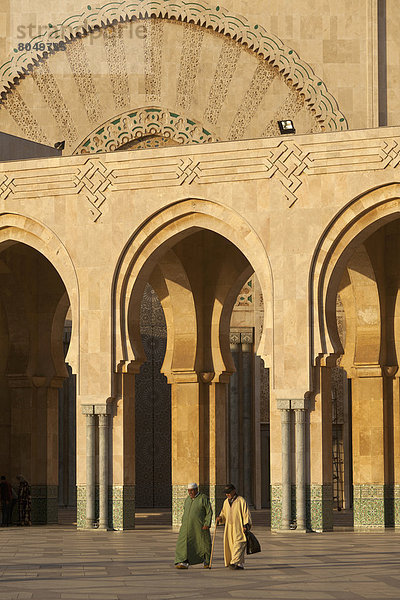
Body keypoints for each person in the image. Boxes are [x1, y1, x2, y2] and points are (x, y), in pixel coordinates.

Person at [175, 483, 212, 569]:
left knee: (203, 544)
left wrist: (207, 523)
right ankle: (182, 561)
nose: (190, 492)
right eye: (189, 491)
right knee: (183, 543)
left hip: (199, 526)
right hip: (186, 527)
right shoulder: (188, 499)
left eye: (192, 490)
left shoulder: (203, 498)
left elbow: (209, 512)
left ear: (196, 489)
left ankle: (207, 561)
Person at [216, 483, 252, 570]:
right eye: (226, 493)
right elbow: (223, 514)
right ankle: (239, 564)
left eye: (229, 492)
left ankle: (234, 562)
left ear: (234, 491)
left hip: (239, 527)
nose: (227, 494)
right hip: (229, 528)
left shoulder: (241, 501)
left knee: (239, 543)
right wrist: (220, 518)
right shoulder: (226, 502)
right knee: (231, 545)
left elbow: (246, 514)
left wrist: (246, 525)